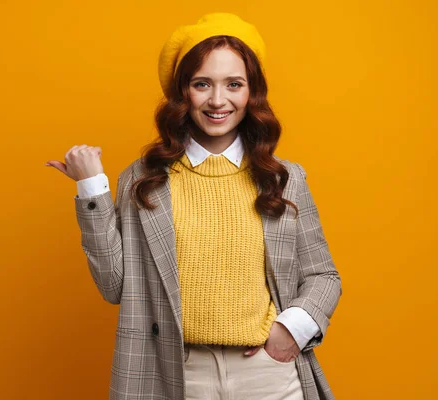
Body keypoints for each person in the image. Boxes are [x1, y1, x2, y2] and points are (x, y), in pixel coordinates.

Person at [46, 12, 342, 400]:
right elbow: (115, 286)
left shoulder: (284, 177)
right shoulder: (143, 178)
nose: (218, 100)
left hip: (268, 374)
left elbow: (323, 275)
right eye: (202, 84)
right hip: (174, 373)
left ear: (251, 93)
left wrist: (291, 330)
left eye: (233, 84)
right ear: (182, 92)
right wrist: (91, 189)